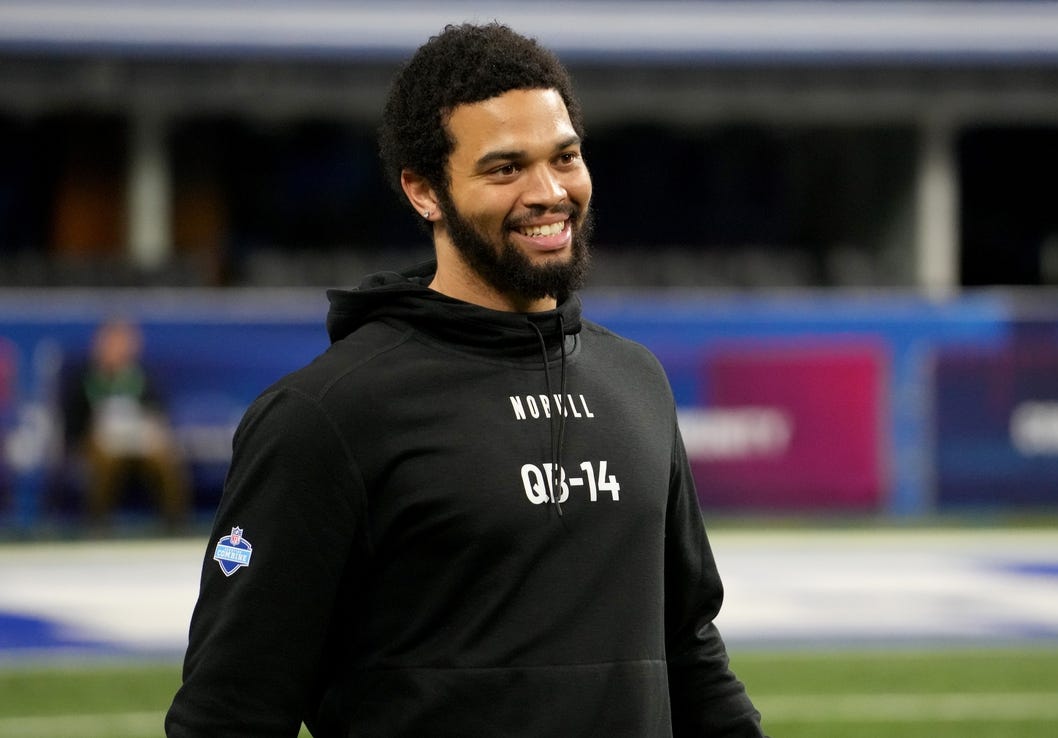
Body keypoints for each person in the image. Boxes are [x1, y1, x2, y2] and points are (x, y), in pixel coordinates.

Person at [166, 22, 767, 737]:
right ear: (423, 192)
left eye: (565, 157)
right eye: (505, 168)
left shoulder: (634, 380)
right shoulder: (326, 414)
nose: (549, 192)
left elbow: (688, 651)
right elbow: (229, 711)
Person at [62, 318, 190, 533]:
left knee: (164, 458)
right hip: (98, 442)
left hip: (138, 440)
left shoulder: (144, 378)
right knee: (106, 462)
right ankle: (98, 525)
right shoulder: (83, 378)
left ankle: (174, 523)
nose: (117, 349)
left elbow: (159, 413)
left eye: (122, 343)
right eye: (111, 343)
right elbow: (72, 421)